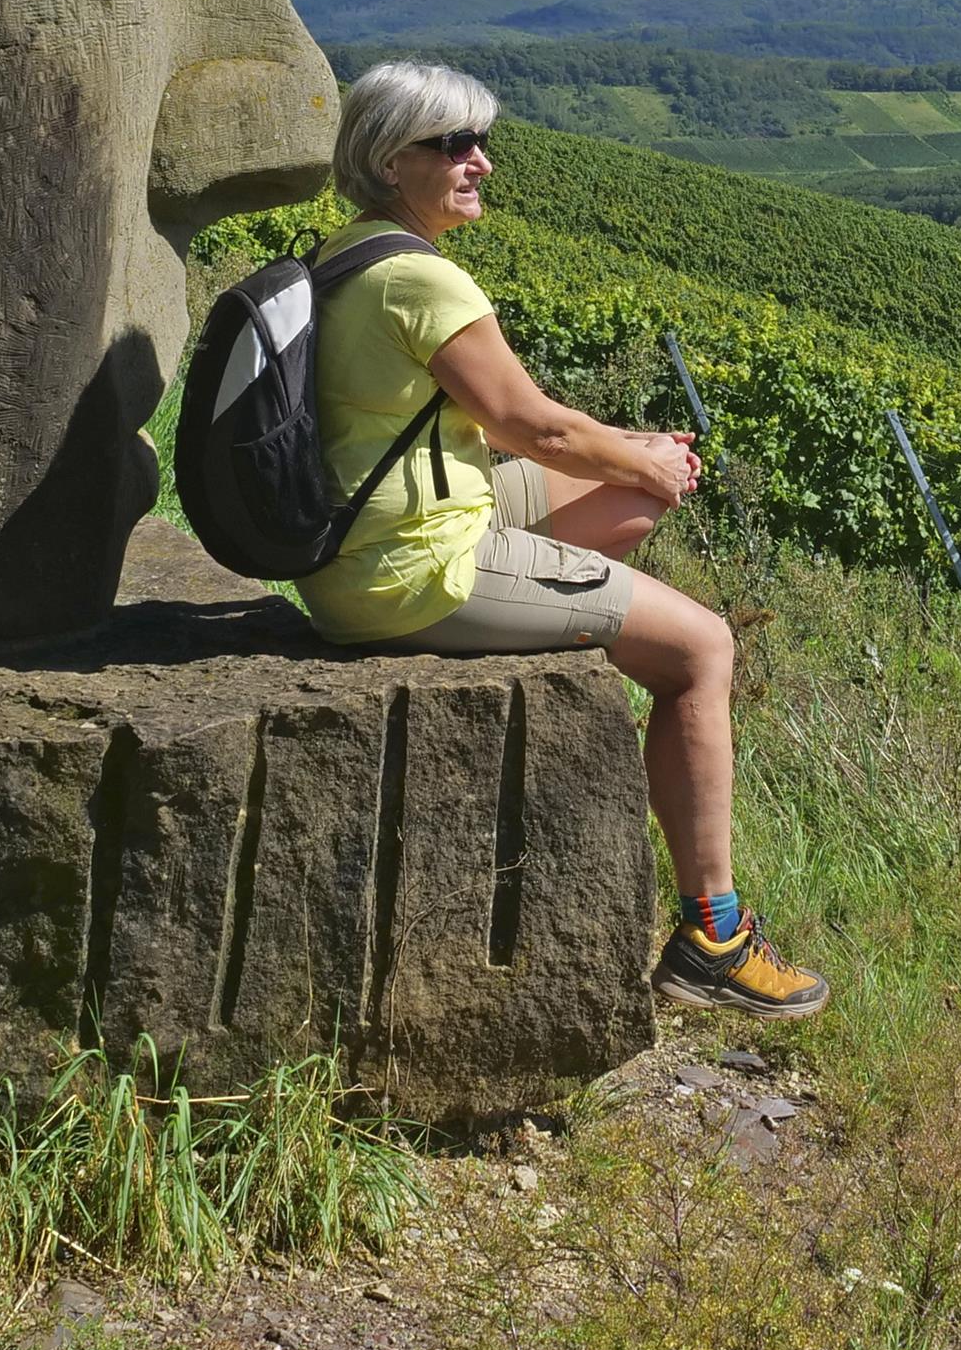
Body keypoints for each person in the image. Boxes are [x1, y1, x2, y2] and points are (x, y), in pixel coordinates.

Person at [294, 59, 826, 1020]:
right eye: (452, 145)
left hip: (379, 532)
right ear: (388, 160)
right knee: (705, 648)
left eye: (480, 142)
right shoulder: (423, 280)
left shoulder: (356, 251)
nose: (479, 162)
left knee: (635, 479)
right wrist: (633, 458)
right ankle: (716, 936)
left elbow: (528, 433)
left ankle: (564, 614)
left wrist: (635, 456)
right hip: (416, 566)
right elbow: (529, 427)